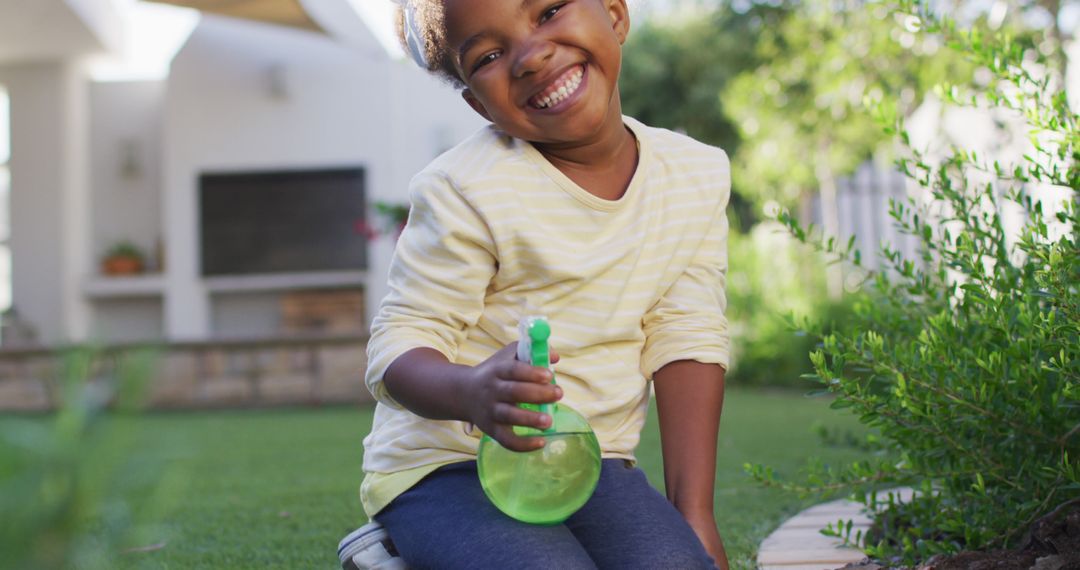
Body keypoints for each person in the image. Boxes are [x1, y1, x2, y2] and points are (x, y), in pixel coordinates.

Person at [346, 0, 731, 567]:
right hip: (449, 465)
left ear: (615, 14)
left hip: (589, 463)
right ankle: (397, 550)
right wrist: (471, 392)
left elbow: (686, 337)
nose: (530, 56)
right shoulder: (465, 189)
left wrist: (693, 511)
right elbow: (397, 347)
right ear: (478, 104)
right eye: (491, 55)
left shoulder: (694, 174)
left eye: (548, 10)